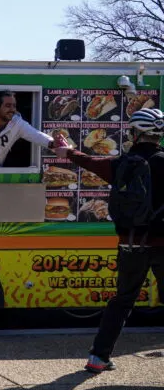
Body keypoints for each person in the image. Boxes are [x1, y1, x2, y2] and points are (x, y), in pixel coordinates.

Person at [54, 107, 164, 373]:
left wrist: (67, 150)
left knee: (122, 300)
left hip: (129, 245)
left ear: (135, 133)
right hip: (162, 245)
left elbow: (90, 162)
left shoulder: (122, 165)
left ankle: (98, 357)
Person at [0, 91, 65, 167]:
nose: (12, 109)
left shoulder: (17, 123)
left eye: (14, 106)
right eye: (8, 106)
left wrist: (53, 143)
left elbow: (36, 135)